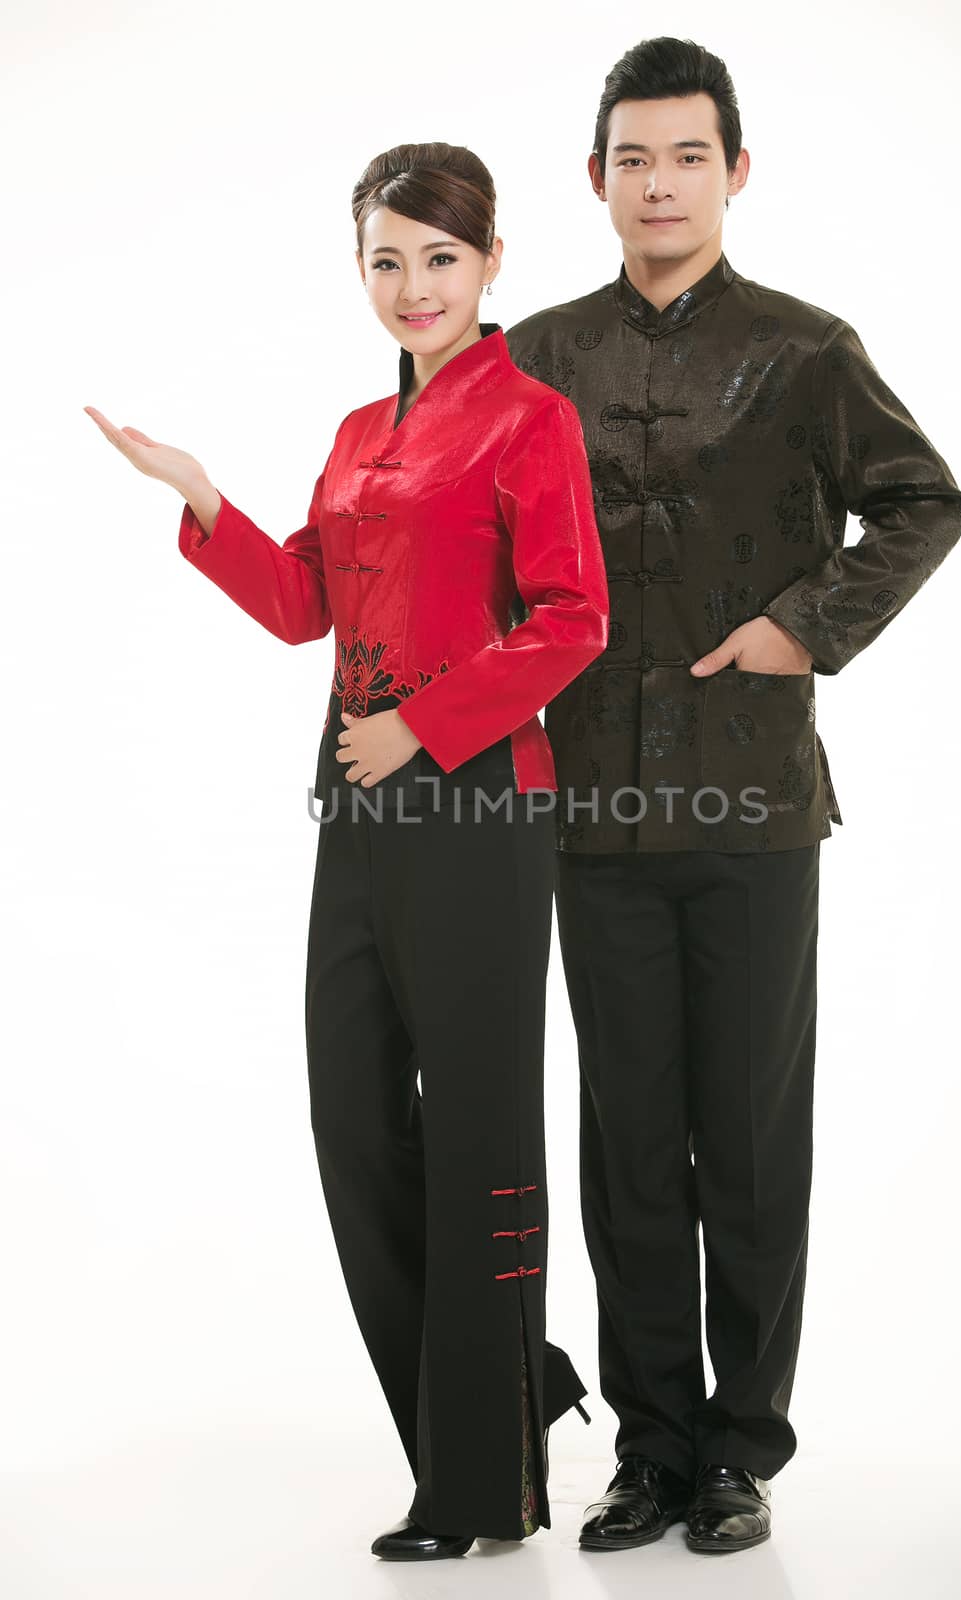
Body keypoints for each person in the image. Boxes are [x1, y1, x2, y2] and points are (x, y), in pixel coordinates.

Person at [85, 140, 608, 1560]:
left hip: (481, 810)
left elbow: (573, 619)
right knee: (358, 1126)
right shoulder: (354, 435)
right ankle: (503, 1400)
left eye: (442, 256)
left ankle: (481, 1484)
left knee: (484, 1133)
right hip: (359, 815)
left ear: (493, 261)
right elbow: (305, 603)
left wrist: (425, 729)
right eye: (388, 258)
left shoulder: (531, 421)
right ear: (360, 270)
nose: (414, 284)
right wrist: (202, 500)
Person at [503, 38, 961, 1556]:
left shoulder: (807, 349)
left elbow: (922, 499)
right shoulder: (533, 362)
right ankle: (648, 1447)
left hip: (757, 808)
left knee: (752, 1140)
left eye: (687, 156)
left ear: (735, 171)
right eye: (632, 158)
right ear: (596, 179)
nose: (659, 184)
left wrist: (803, 625)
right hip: (585, 812)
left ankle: (740, 1453)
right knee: (628, 1139)